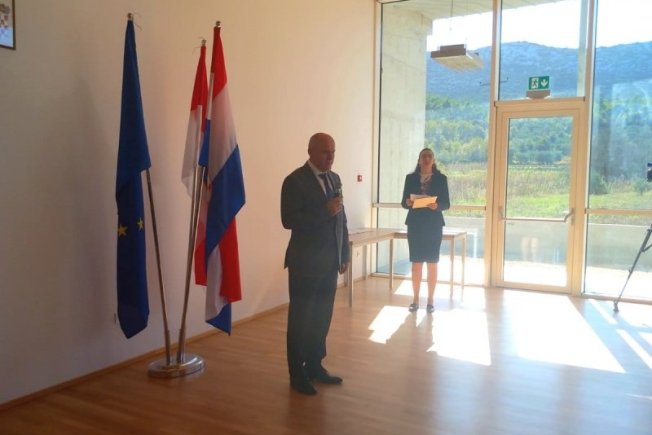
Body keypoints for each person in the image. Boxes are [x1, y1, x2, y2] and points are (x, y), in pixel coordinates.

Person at [281, 132, 350, 396]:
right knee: (301, 319)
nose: (330, 157)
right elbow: (288, 220)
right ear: (310, 151)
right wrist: (325, 210)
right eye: (325, 152)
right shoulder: (294, 181)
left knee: (322, 317)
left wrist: (344, 253)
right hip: (305, 263)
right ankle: (296, 373)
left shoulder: (335, 178)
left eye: (333, 152)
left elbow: (341, 218)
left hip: (329, 262)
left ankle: (314, 365)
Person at [401, 148, 450, 314]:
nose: (427, 158)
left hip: (433, 225)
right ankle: (415, 300)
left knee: (432, 263)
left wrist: (437, 206)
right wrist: (408, 202)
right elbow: (403, 202)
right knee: (416, 263)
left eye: (430, 156)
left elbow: (446, 203)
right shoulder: (410, 178)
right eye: (424, 156)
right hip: (415, 225)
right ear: (419, 160)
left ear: (433, 160)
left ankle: (430, 300)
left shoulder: (441, 179)